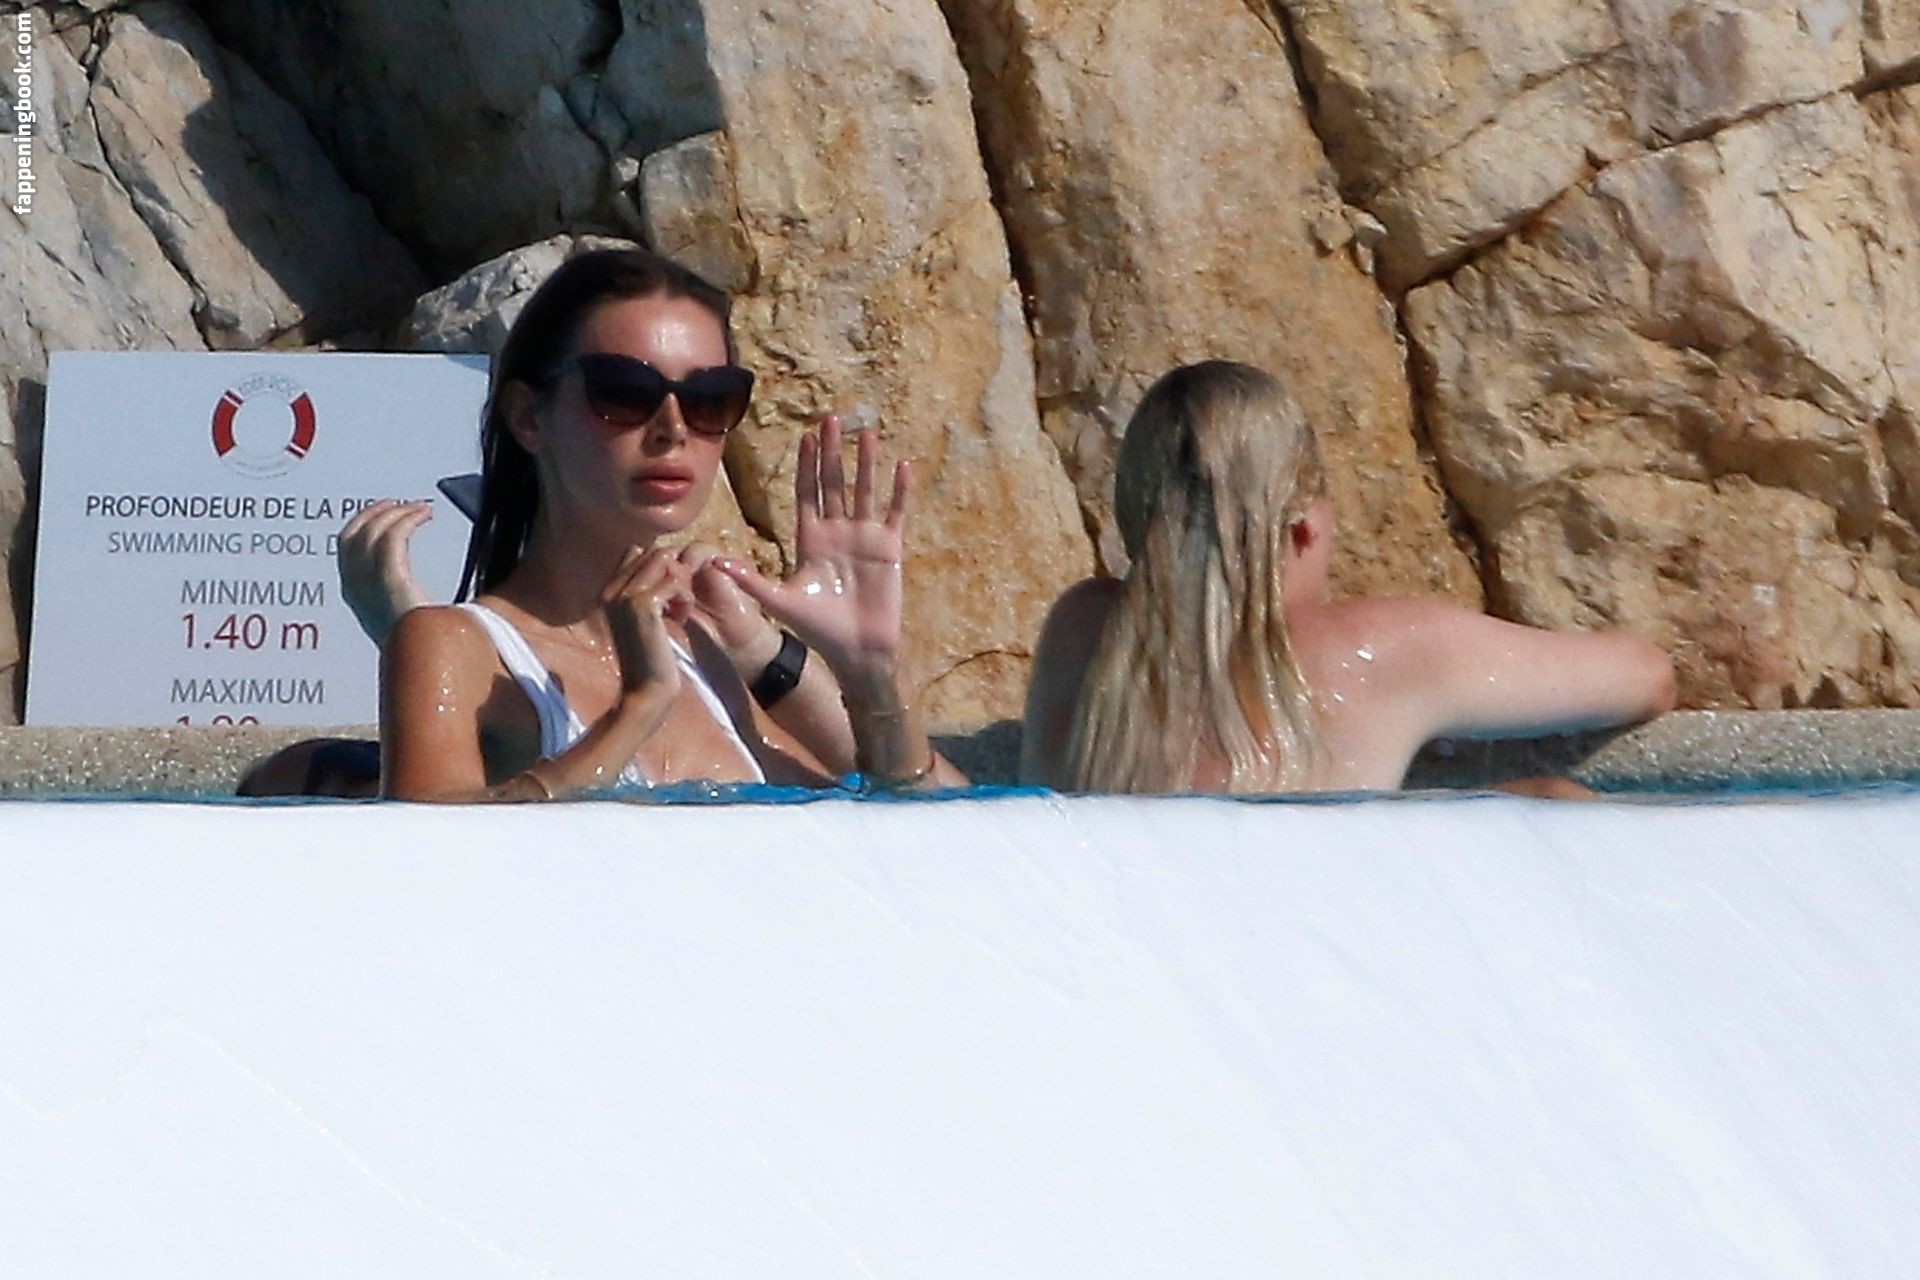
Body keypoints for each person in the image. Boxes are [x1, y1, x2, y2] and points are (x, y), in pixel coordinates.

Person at [379, 248, 963, 801]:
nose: (674, 429)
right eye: (624, 393)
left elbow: (931, 831)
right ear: (529, 416)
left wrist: (873, 679)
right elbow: (430, 851)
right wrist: (637, 708)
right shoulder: (454, 647)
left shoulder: (701, 649)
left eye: (710, 398)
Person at [1021, 361, 1677, 794]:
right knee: (1552, 799)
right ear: (1305, 526)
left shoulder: (1079, 633)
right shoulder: (1381, 651)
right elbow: (1647, 681)